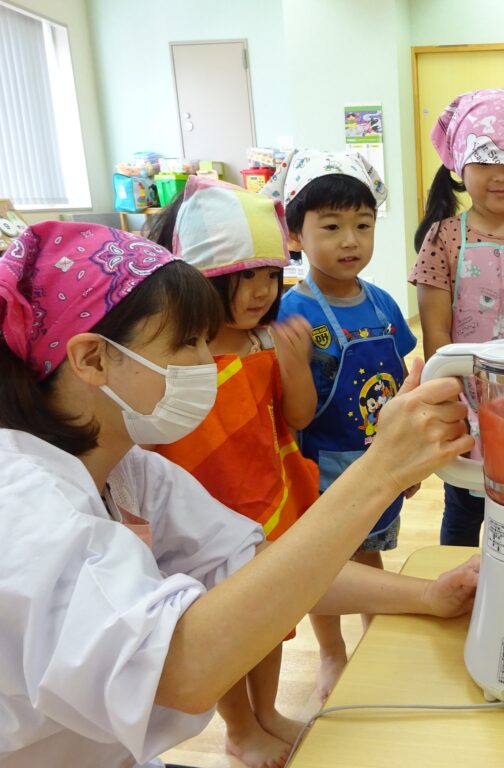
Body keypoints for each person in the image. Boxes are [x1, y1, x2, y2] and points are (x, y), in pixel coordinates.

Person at [0, 221, 477, 768]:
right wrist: (381, 470)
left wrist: (427, 595)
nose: (205, 362)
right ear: (92, 359)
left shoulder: (128, 470)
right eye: (186, 343)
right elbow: (183, 671)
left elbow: (257, 563)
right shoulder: (25, 505)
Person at [151, 176, 321, 767]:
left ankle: (266, 711)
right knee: (223, 626)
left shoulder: (265, 342)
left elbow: (297, 416)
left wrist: (295, 363)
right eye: (241, 277)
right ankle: (240, 728)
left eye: (270, 275)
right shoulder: (174, 352)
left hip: (267, 499)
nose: (260, 291)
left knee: (269, 618)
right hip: (200, 516)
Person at [264, 149, 418, 702]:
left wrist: (407, 460)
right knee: (323, 567)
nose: (350, 240)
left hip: (378, 460)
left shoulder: (383, 304)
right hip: (321, 467)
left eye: (363, 225)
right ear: (295, 235)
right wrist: (292, 357)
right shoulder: (291, 314)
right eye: (331, 227)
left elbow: (399, 380)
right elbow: (296, 415)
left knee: (368, 553)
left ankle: (376, 642)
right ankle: (331, 652)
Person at [408, 87, 504, 547]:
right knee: (464, 509)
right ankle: (455, 582)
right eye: (486, 161)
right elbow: (436, 334)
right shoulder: (444, 238)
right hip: (468, 399)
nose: (501, 174)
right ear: (459, 167)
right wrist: (454, 404)